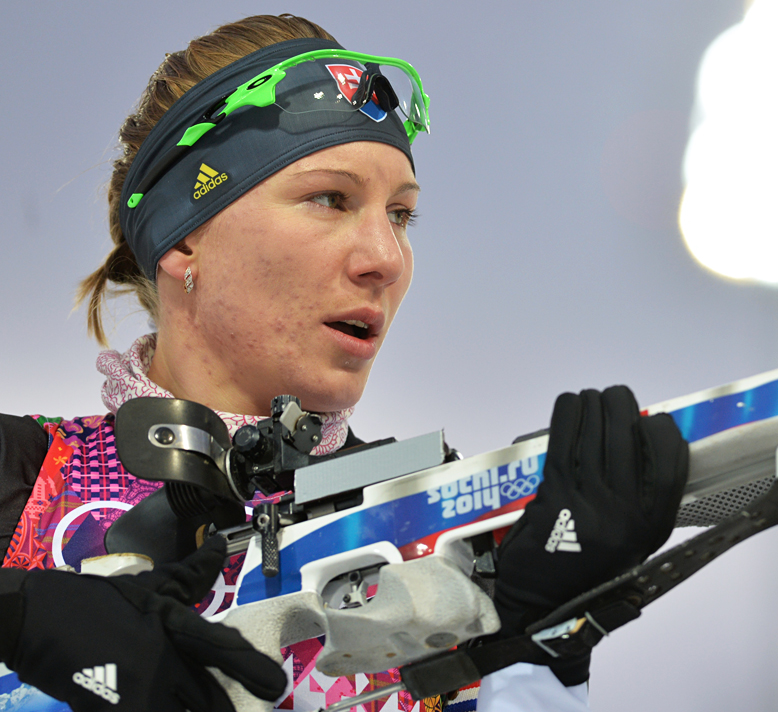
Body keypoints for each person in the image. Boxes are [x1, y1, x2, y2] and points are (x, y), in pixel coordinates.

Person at [0, 14, 688, 712]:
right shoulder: (21, 479)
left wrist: (540, 660)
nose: (385, 259)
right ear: (184, 241)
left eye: (401, 215)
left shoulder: (437, 537)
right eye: (330, 199)